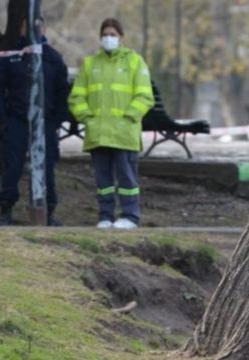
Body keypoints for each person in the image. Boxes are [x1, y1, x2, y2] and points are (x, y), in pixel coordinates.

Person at [68, 17, 154, 229]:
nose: (108, 38)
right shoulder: (90, 64)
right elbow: (76, 97)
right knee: (103, 181)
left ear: (121, 37)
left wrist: (130, 116)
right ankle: (105, 216)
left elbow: (145, 96)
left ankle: (130, 216)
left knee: (127, 179)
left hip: (124, 133)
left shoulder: (134, 62)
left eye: (113, 35)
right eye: (105, 35)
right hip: (98, 133)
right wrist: (87, 117)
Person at [0, 17, 69, 226]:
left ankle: (48, 213)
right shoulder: (13, 57)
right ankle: (6, 210)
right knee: (13, 168)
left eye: (38, 26)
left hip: (45, 123)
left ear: (45, 29)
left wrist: (55, 120)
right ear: (21, 29)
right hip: (17, 121)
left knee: (46, 169)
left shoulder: (53, 58)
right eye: (28, 27)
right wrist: (3, 119)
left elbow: (63, 92)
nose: (33, 31)